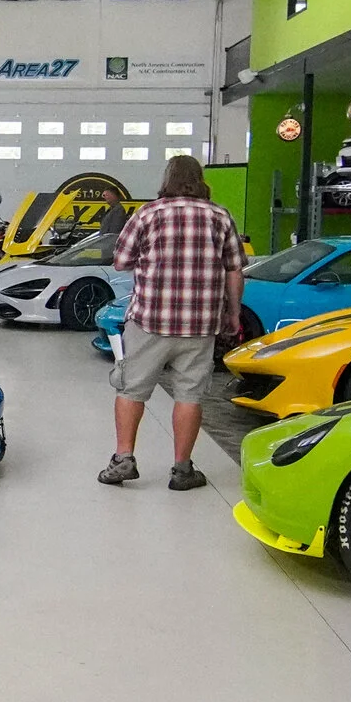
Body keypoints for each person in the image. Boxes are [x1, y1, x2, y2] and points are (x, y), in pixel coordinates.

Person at [102, 154, 243, 490]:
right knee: (189, 395)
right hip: (200, 324)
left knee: (132, 389)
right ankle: (182, 470)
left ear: (167, 179)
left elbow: (121, 261)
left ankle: (124, 460)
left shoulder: (147, 213)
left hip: (150, 320)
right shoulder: (219, 216)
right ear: (199, 179)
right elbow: (234, 269)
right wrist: (234, 313)